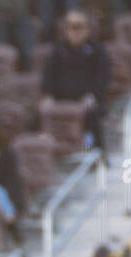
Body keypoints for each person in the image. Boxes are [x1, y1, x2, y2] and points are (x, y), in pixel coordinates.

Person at [40, 11, 110, 152]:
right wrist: (47, 95)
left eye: (79, 26)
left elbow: (102, 77)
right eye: (71, 27)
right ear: (65, 30)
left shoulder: (98, 51)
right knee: (38, 113)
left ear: (87, 29)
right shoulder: (57, 51)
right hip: (61, 98)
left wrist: (92, 95)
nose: (75, 31)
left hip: (88, 99)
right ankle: (46, 152)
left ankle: (96, 152)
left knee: (92, 113)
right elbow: (48, 76)